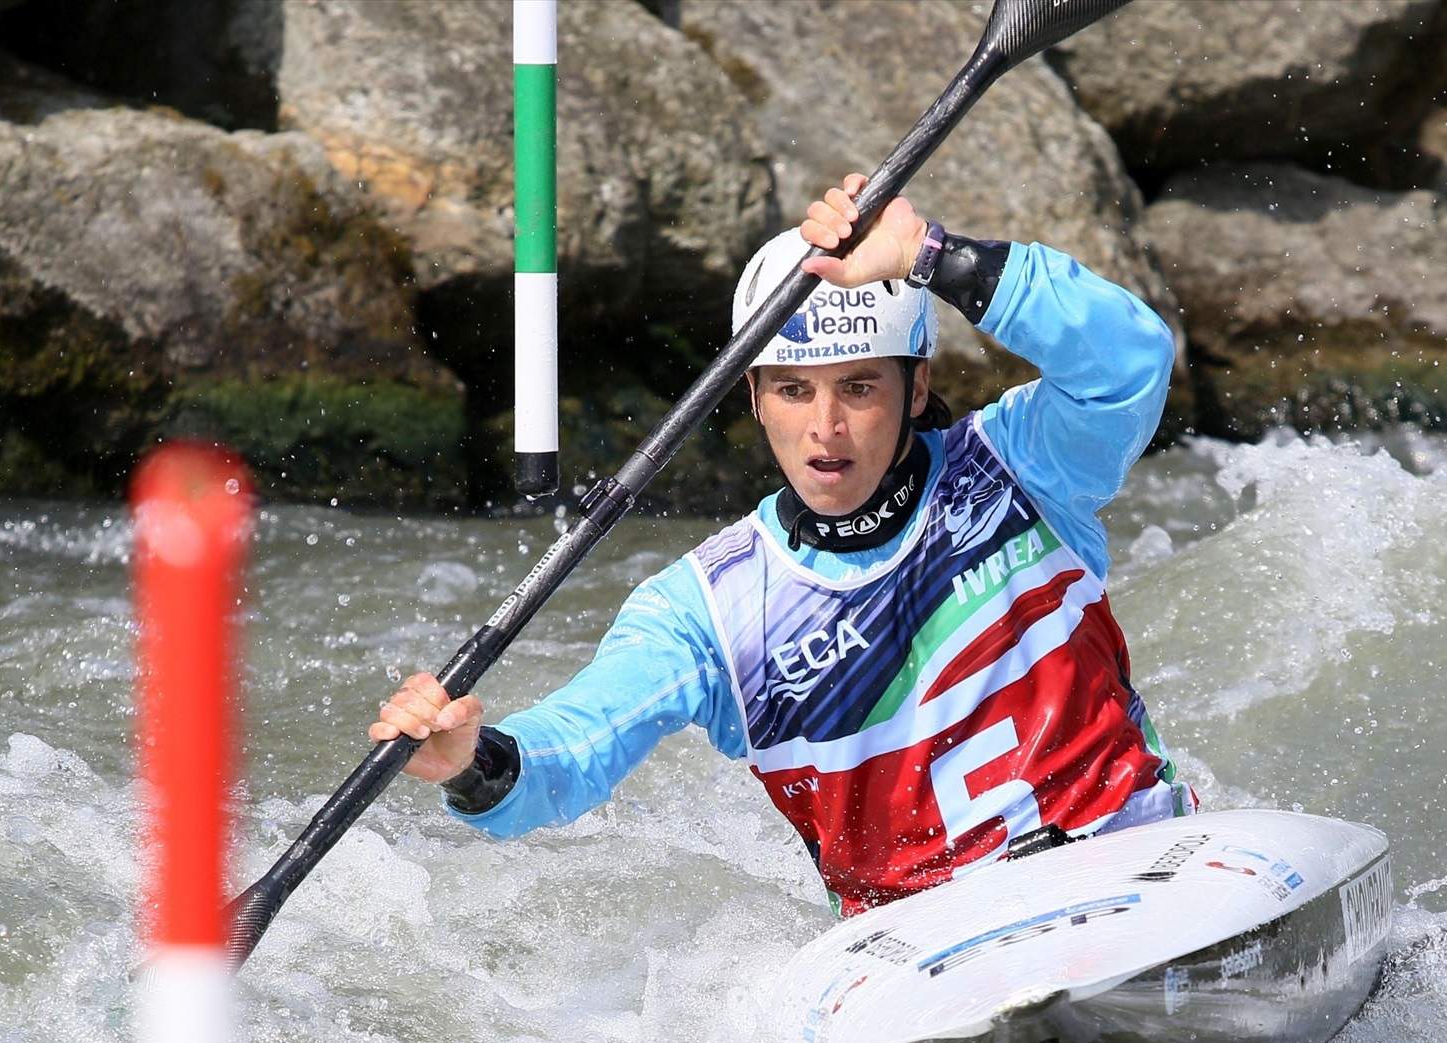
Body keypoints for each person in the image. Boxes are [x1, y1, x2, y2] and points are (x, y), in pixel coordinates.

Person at [371, 174, 1193, 916]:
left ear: (919, 388)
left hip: (1130, 864)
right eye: (795, 391)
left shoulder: (1027, 466)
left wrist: (932, 255)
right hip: (929, 952)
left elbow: (1128, 362)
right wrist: (473, 760)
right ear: (756, 399)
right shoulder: (704, 611)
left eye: (860, 388)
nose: (825, 429)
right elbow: (573, 750)